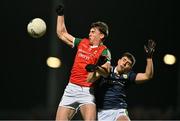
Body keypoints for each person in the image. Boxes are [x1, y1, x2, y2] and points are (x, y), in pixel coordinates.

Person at [55, 4, 111, 121]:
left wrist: (96, 68)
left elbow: (106, 72)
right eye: (90, 31)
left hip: (87, 91)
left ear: (101, 35)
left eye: (93, 31)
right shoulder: (82, 42)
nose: (89, 33)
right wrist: (60, 15)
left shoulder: (104, 51)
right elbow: (61, 34)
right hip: (71, 88)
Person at [88, 39, 156, 121]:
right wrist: (94, 69)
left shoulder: (129, 76)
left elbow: (148, 76)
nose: (124, 63)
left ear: (129, 69)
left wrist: (149, 57)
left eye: (128, 63)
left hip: (119, 110)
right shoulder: (106, 70)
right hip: (102, 112)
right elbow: (90, 80)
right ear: (118, 61)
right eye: (124, 60)